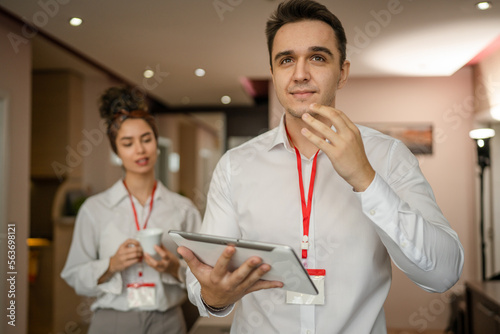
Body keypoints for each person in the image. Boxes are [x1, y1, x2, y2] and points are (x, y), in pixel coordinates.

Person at [178, 0, 464, 333]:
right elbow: (205, 280)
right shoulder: (235, 166)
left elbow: (443, 273)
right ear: (273, 73)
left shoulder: (387, 156)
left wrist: (366, 180)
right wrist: (213, 297)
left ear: (342, 72)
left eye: (317, 57)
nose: (300, 74)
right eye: (286, 60)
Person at [61, 87, 202, 334]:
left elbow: (204, 274)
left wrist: (173, 267)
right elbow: (75, 275)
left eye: (146, 139)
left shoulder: (183, 209)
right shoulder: (95, 209)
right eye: (127, 143)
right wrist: (111, 264)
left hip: (167, 321)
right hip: (113, 320)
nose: (140, 150)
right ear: (116, 151)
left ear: (156, 143)